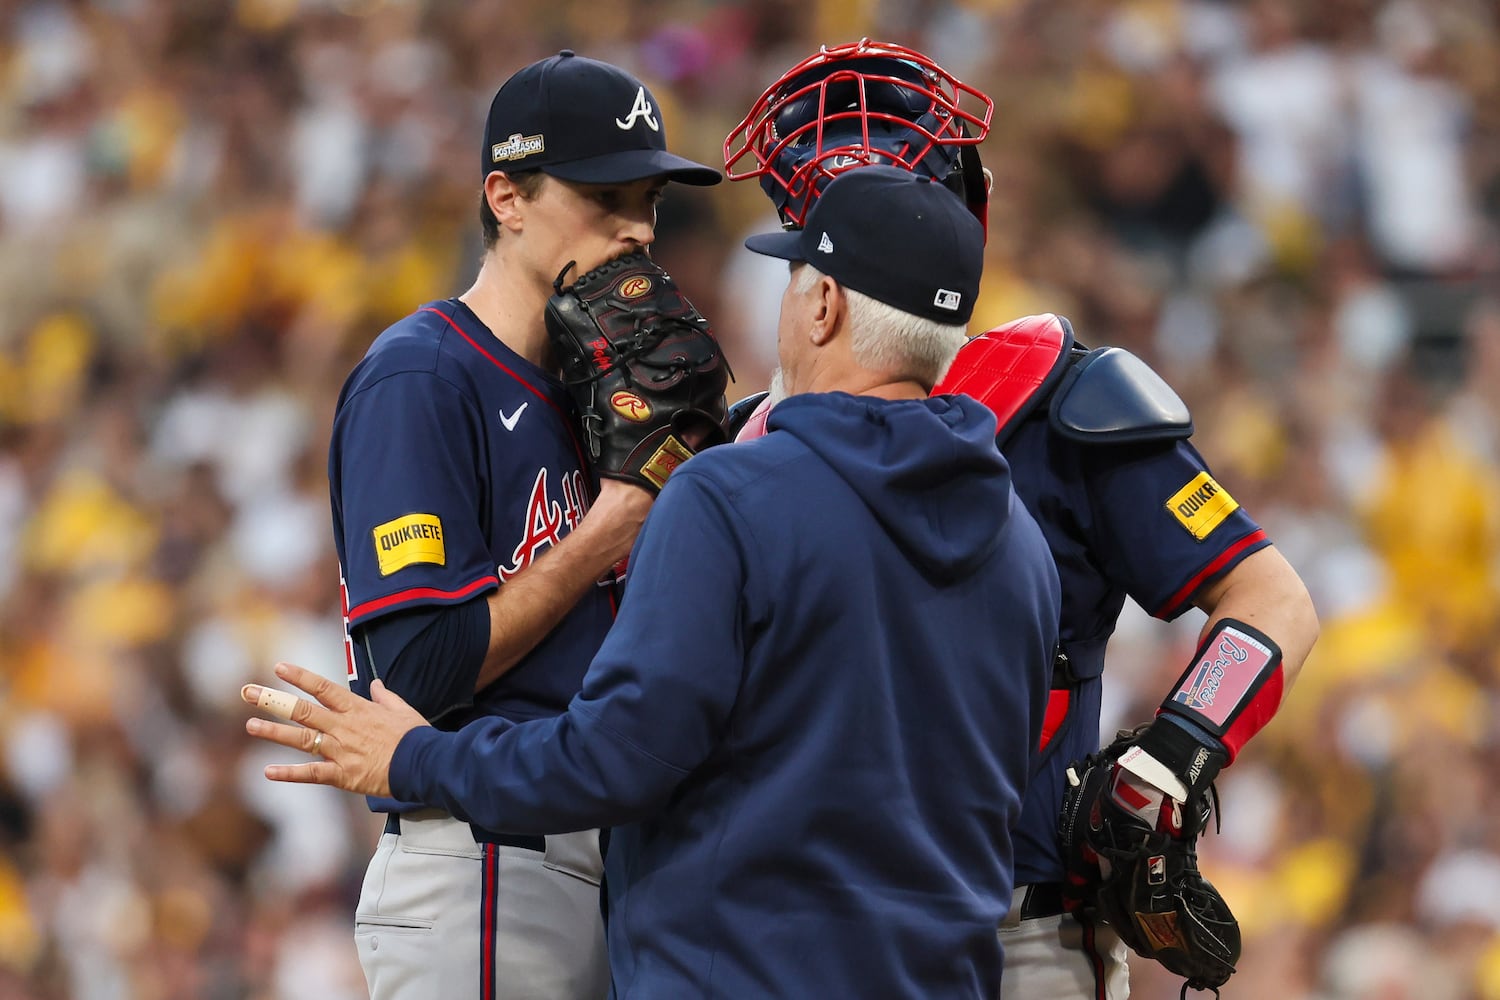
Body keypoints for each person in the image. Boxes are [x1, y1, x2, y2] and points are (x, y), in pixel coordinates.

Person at [244, 166, 1062, 998]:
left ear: (825, 307)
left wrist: (418, 758)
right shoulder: (1022, 546)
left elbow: (617, 757)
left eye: (792, 278)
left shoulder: (734, 494)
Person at [723, 40, 1320, 998]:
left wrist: (1171, 759)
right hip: (797, 929)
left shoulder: (1064, 407)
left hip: (1008, 928)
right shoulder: (738, 449)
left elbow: (1270, 599)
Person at [326, 50, 720, 1000]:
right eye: (605, 198)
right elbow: (414, 671)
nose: (636, 231)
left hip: (610, 862)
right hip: (482, 862)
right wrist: (614, 527)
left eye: (650, 203)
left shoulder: (614, 393)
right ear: (505, 197)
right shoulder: (422, 377)